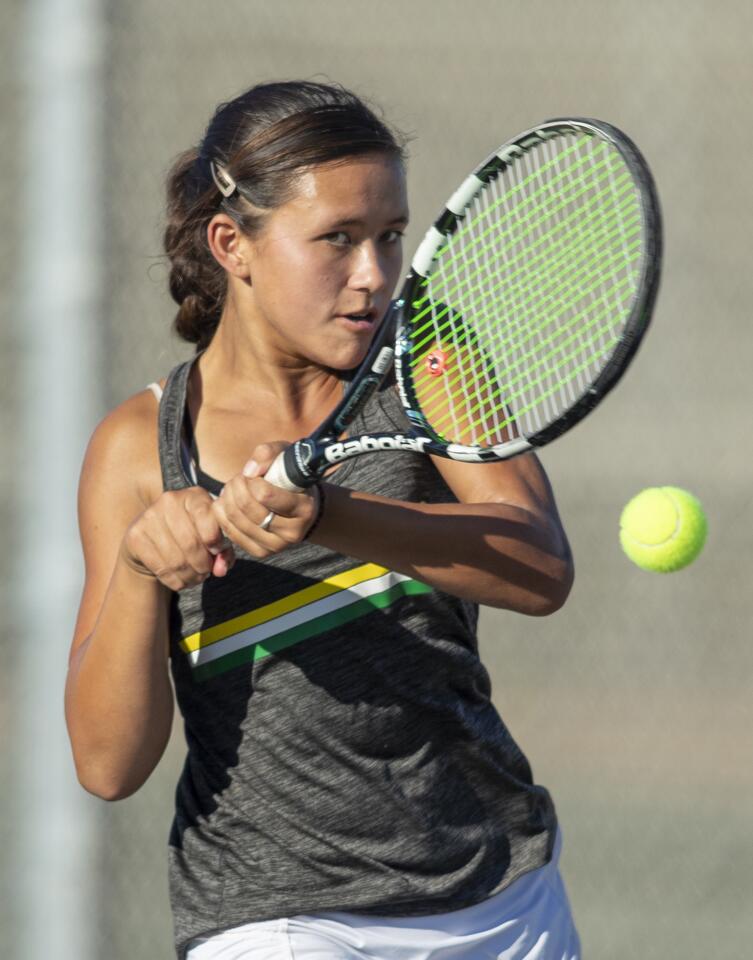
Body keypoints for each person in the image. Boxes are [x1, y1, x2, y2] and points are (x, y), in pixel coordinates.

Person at [65, 81, 580, 960]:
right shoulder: (136, 447)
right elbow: (108, 766)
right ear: (233, 245)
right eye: (336, 240)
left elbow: (536, 568)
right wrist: (143, 572)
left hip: (502, 894)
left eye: (388, 235)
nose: (374, 274)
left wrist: (332, 515)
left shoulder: (429, 361)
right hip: (276, 917)